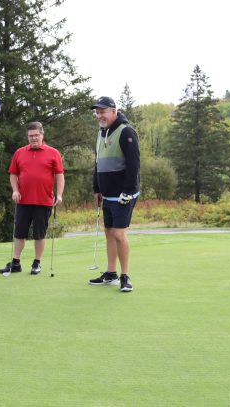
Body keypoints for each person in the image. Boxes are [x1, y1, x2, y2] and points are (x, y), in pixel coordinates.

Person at [0, 121, 65, 275]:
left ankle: (37, 263)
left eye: (36, 135)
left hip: (44, 201)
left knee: (39, 234)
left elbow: (59, 176)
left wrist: (59, 194)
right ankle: (15, 263)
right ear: (27, 136)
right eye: (30, 136)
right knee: (19, 233)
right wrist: (15, 190)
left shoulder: (53, 153)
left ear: (42, 135)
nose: (33, 138)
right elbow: (13, 174)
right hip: (23, 201)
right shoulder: (19, 152)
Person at [88, 96, 140, 292]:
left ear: (114, 111)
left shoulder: (126, 131)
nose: (99, 115)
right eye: (97, 112)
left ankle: (125, 276)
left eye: (103, 111)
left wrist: (128, 191)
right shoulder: (101, 133)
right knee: (109, 232)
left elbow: (134, 164)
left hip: (123, 194)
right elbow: (98, 164)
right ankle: (111, 273)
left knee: (119, 234)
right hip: (107, 193)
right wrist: (97, 188)